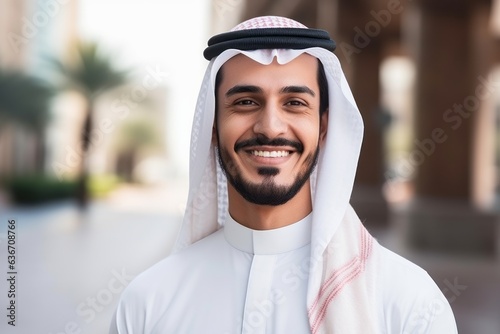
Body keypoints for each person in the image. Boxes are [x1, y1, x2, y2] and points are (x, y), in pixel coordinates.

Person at [110, 16, 457, 334]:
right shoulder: (148, 302)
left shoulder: (409, 303)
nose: (270, 127)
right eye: (246, 102)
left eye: (295, 102)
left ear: (323, 128)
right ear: (213, 127)